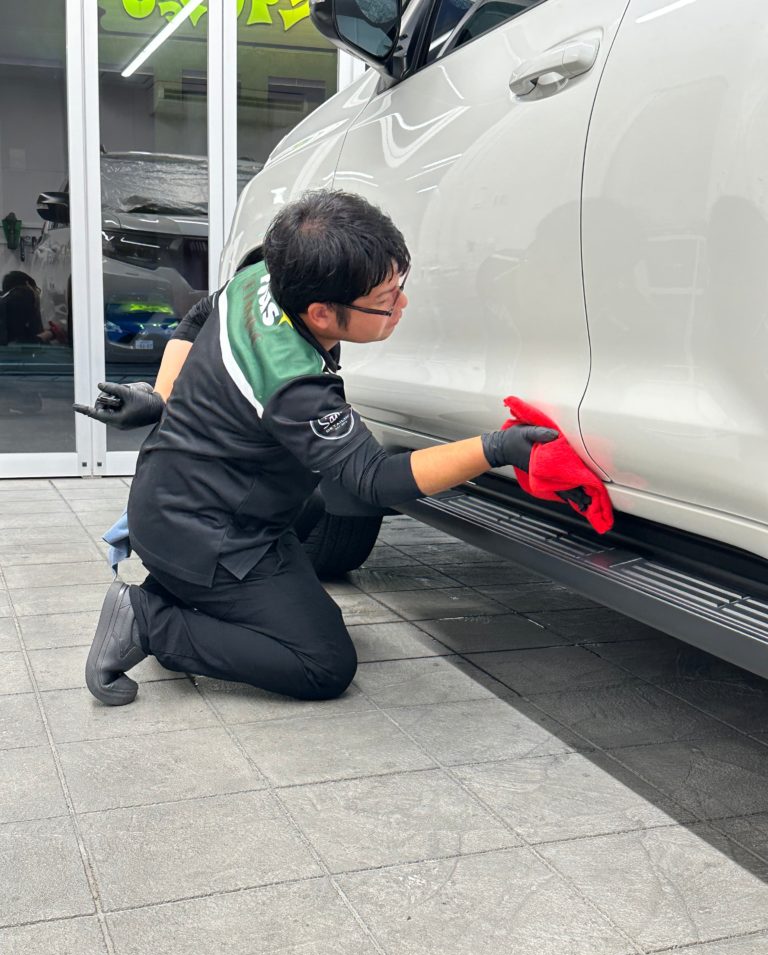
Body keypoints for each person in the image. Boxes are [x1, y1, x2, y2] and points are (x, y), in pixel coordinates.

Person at [75, 191, 558, 707]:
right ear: (322, 314)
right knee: (324, 663)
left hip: (175, 499)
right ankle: (149, 621)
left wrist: (162, 397)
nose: (402, 305)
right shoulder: (294, 383)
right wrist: (497, 448)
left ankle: (181, 589)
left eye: (400, 286)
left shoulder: (263, 274)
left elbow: (200, 311)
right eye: (386, 299)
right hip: (204, 533)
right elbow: (376, 480)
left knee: (322, 496)